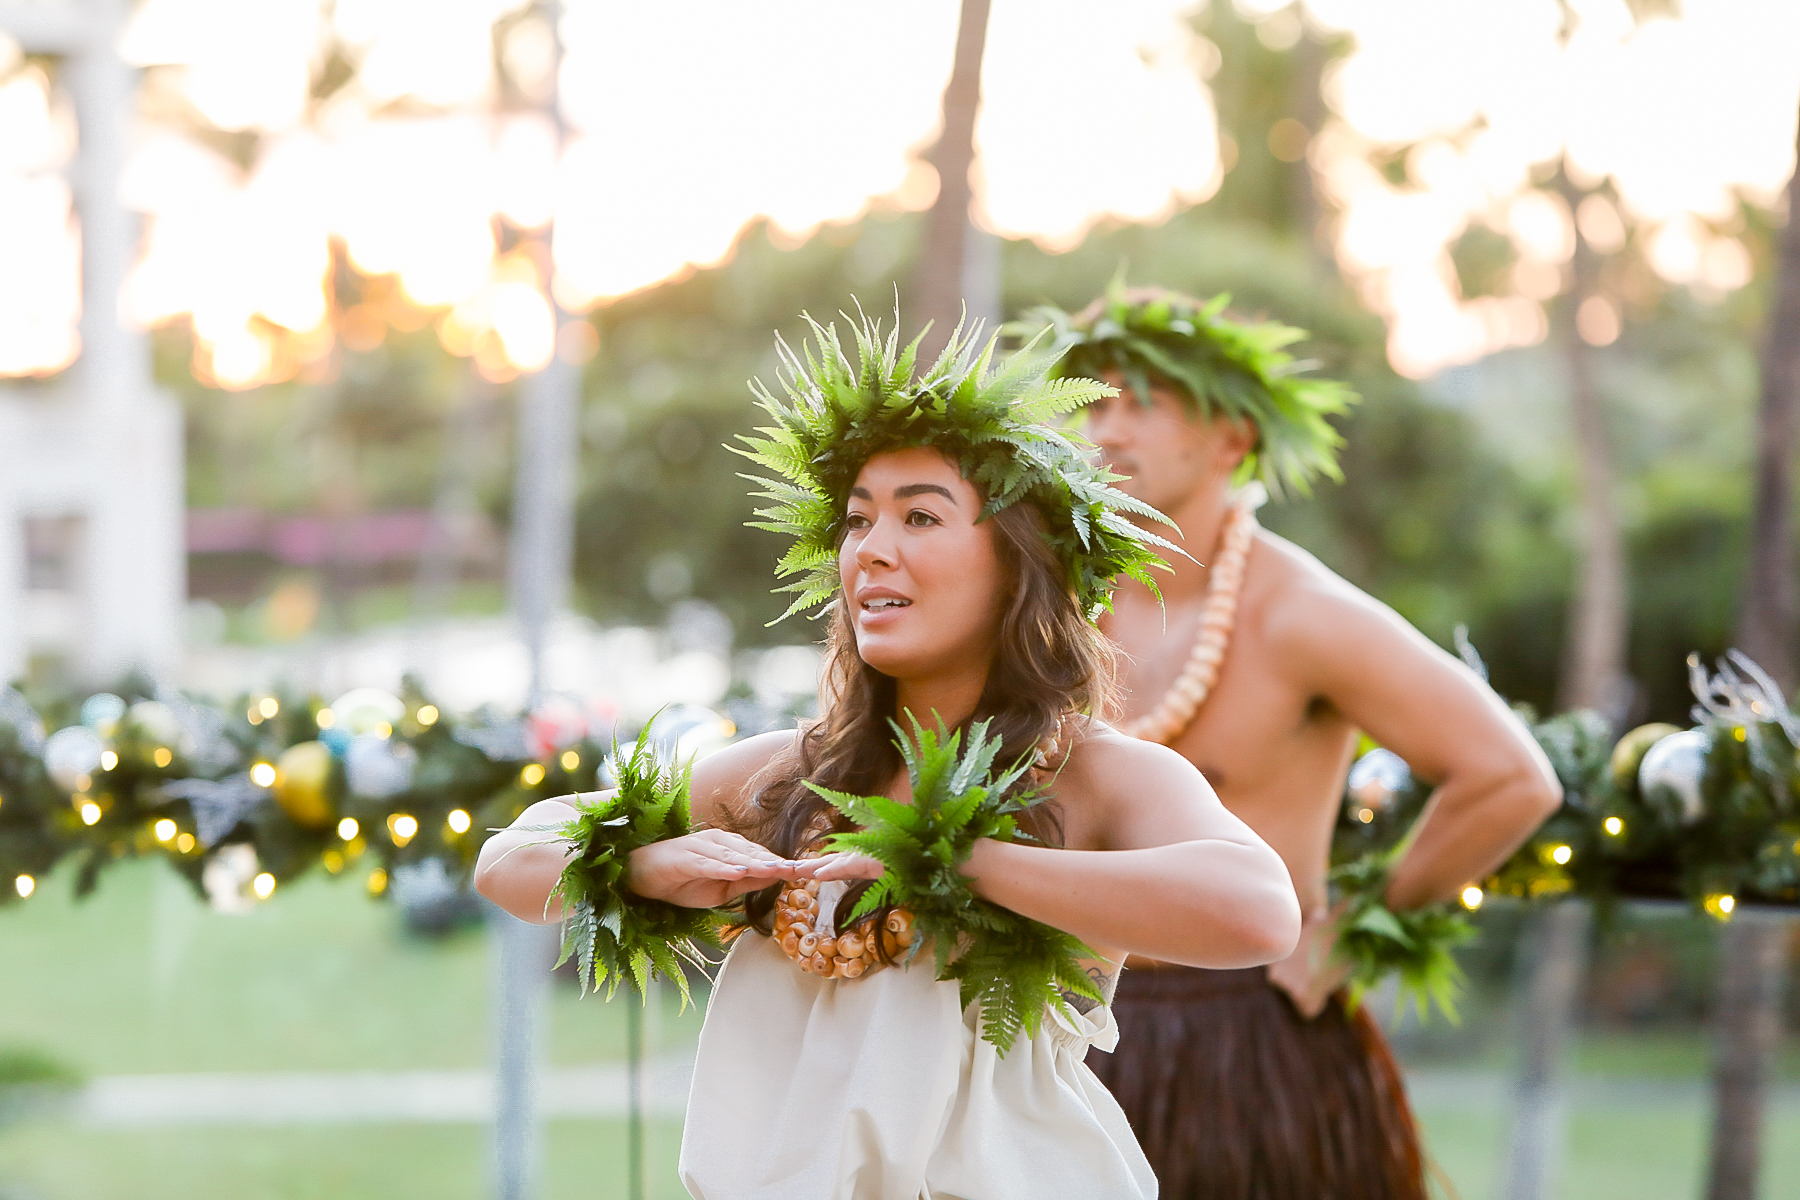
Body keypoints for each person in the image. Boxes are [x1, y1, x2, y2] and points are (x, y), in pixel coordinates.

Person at [477, 311, 1300, 1199]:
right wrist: (639, 862)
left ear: (1018, 567)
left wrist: (959, 862)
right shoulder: (791, 775)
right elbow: (506, 864)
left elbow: (1258, 912)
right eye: (858, 520)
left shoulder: (1090, 776)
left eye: (920, 517)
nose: (872, 549)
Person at [1018, 285, 1564, 1200]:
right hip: (1057, 1021)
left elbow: (1509, 777)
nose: (1106, 430)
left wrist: (1354, 930)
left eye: (1142, 405)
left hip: (1248, 1035)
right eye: (1094, 403)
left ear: (1232, 438)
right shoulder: (1045, 612)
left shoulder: (1300, 615)